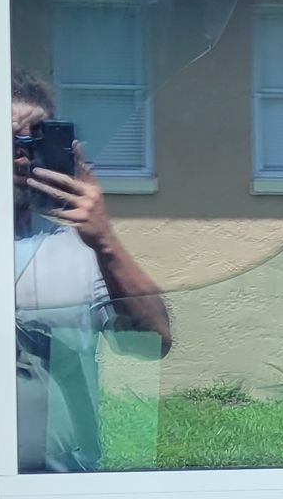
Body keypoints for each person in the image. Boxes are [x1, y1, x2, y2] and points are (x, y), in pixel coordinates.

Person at [11, 69, 171, 472]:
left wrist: (105, 241)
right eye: (11, 139)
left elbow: (153, 341)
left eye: (39, 139)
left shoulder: (78, 251)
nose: (23, 155)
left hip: (70, 495)